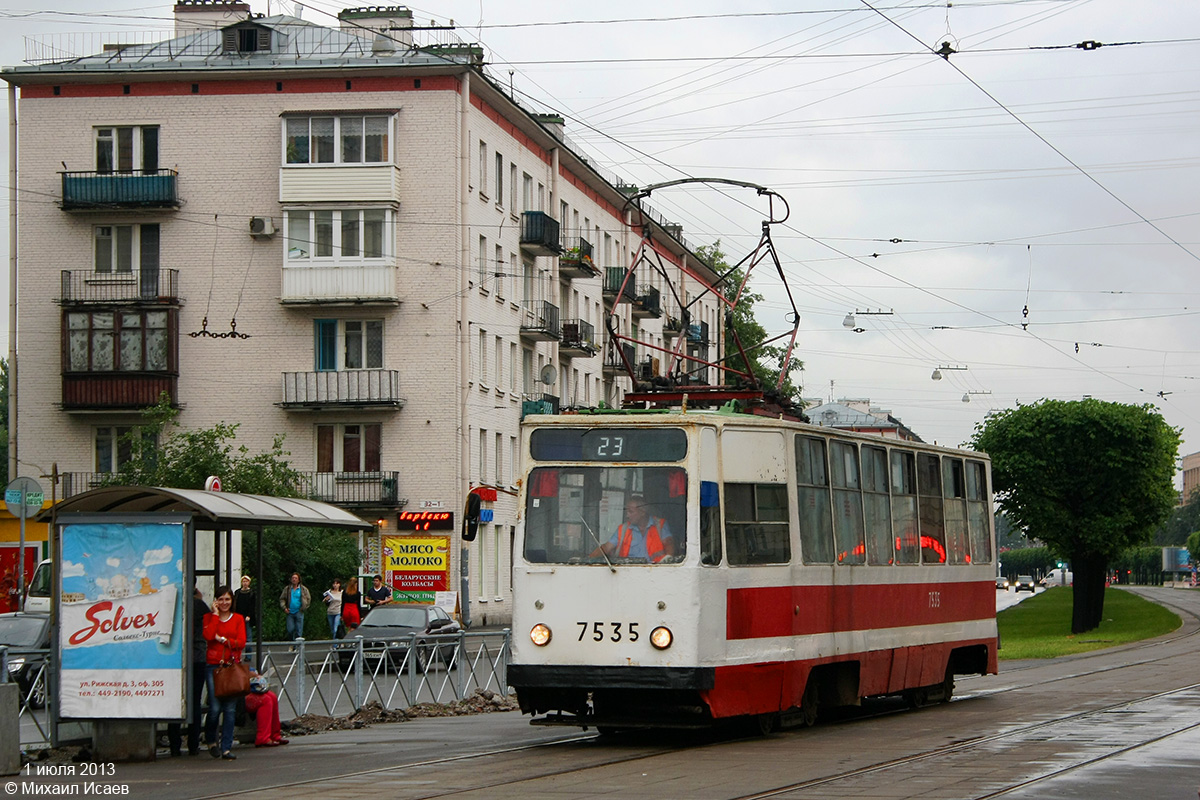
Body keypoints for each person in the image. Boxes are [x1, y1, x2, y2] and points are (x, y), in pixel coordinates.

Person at [203, 585, 246, 761]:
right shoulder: (209, 617)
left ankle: (226, 748)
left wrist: (225, 641)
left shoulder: (238, 619)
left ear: (232, 600)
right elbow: (208, 635)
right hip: (213, 666)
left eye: (227, 599)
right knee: (214, 707)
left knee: (230, 709)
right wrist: (214, 615)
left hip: (231, 666)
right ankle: (211, 741)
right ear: (215, 601)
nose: (224, 603)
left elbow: (241, 641)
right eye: (220, 599)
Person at [168, 586, 209, 757]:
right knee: (194, 701)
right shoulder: (200, 605)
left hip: (175, 658)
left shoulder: (173, 602)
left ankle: (175, 746)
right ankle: (193, 745)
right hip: (198, 656)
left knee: (174, 702)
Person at [590, 495, 675, 563]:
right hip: (628, 574)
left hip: (656, 573)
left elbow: (668, 543)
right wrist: (587, 560)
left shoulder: (660, 525)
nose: (627, 515)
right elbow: (606, 548)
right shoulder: (623, 530)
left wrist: (668, 558)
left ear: (642, 512)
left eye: (630, 512)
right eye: (627, 512)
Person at [243, 674, 289, 748]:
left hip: (244, 689)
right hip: (236, 693)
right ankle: (262, 738)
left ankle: (275, 735)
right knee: (265, 700)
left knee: (272, 697)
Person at [278, 572, 310, 641]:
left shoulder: (303, 589)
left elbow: (308, 599)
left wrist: (304, 607)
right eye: (293, 578)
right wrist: (284, 607)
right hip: (290, 612)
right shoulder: (287, 589)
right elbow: (282, 599)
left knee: (299, 630)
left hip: (299, 611)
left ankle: (297, 647)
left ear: (298, 580)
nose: (294, 579)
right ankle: (291, 643)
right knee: (290, 629)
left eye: (296, 578)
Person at [233, 575, 256, 660]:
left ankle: (248, 655)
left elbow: (253, 606)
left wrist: (249, 615)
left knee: (248, 637)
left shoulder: (252, 593)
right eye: (243, 581)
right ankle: (236, 655)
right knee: (237, 636)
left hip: (247, 617)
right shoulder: (237, 592)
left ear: (249, 582)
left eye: (246, 581)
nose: (245, 583)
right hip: (238, 616)